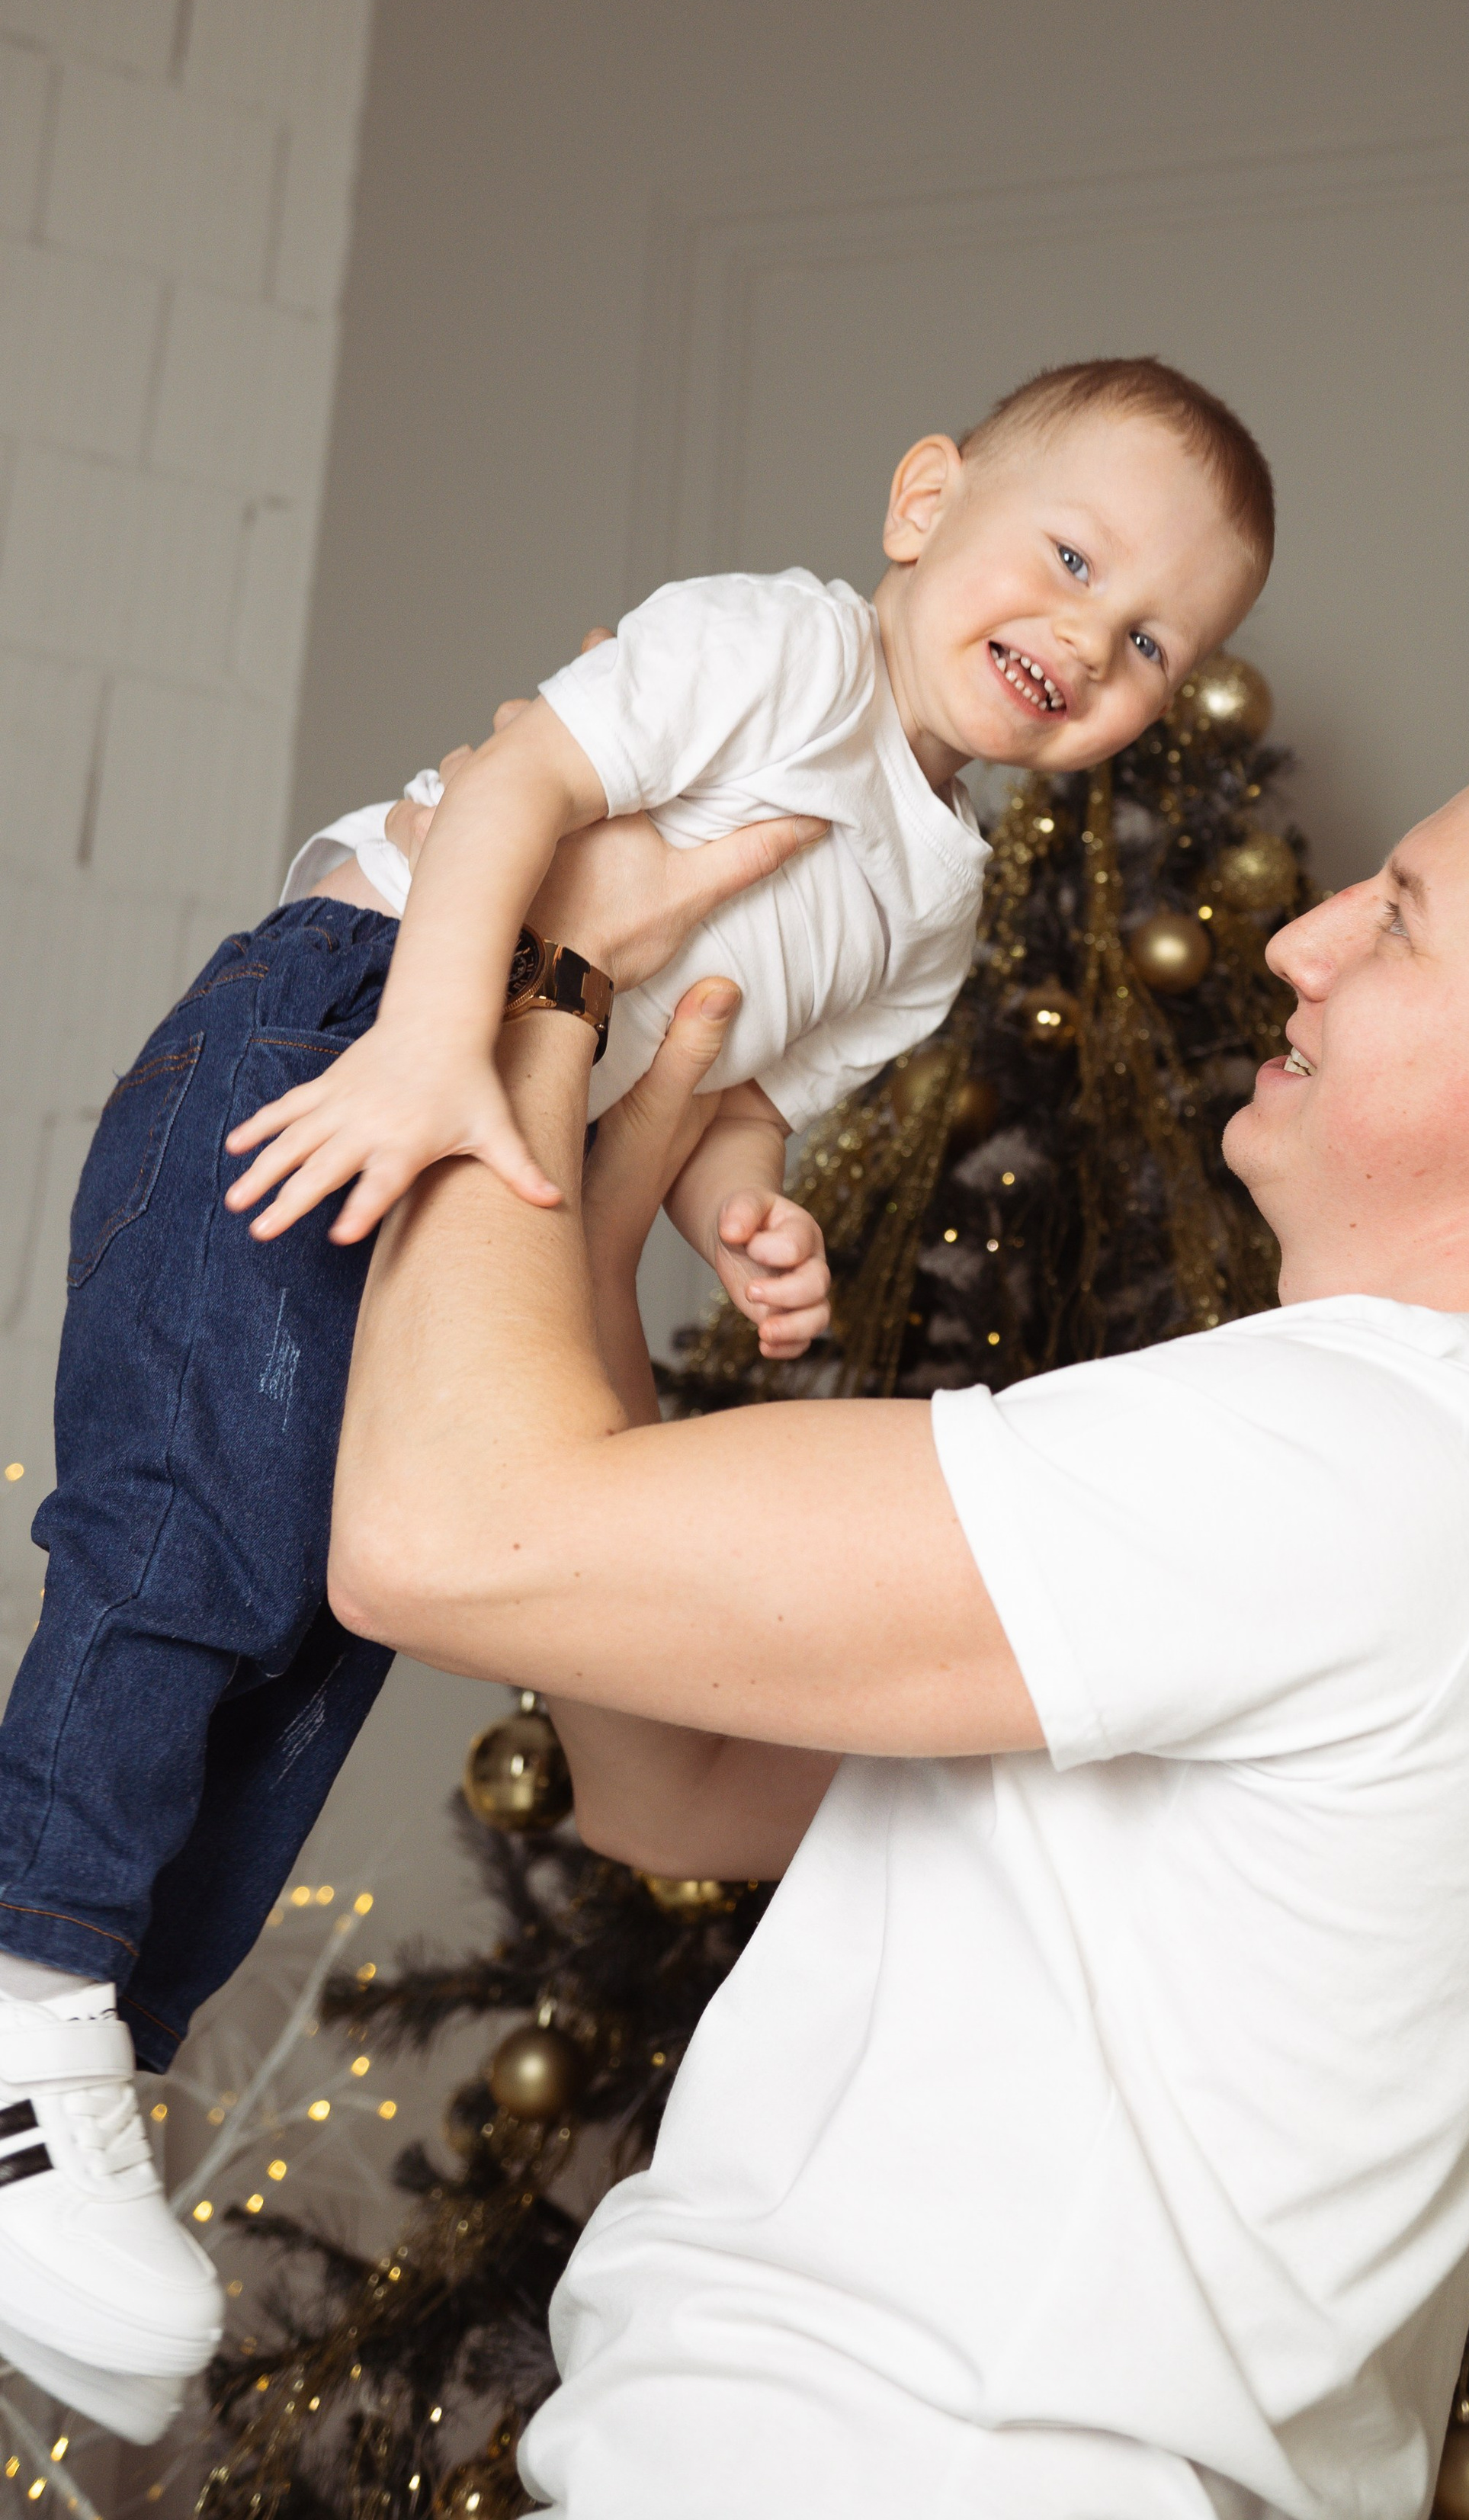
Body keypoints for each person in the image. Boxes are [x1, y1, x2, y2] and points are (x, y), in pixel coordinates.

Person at [324, 687, 1469, 2520]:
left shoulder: (1387, 1460)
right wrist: (591, 1232)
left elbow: (434, 1540)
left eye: (1394, 917)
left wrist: (534, 954)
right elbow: (670, 1780)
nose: (1299, 940)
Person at [0, 357, 1273, 2438]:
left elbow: (732, 1082)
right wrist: (426, 1029)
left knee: (326, 1629)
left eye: (1157, 642)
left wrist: (749, 1214)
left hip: (494, 1132)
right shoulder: (773, 646)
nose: (1093, 641)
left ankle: (83, 2061)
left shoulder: (941, 898)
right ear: (924, 498)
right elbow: (516, 788)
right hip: (338, 1027)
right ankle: (24, 1985)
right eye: (1069, 557)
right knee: (186, 1534)